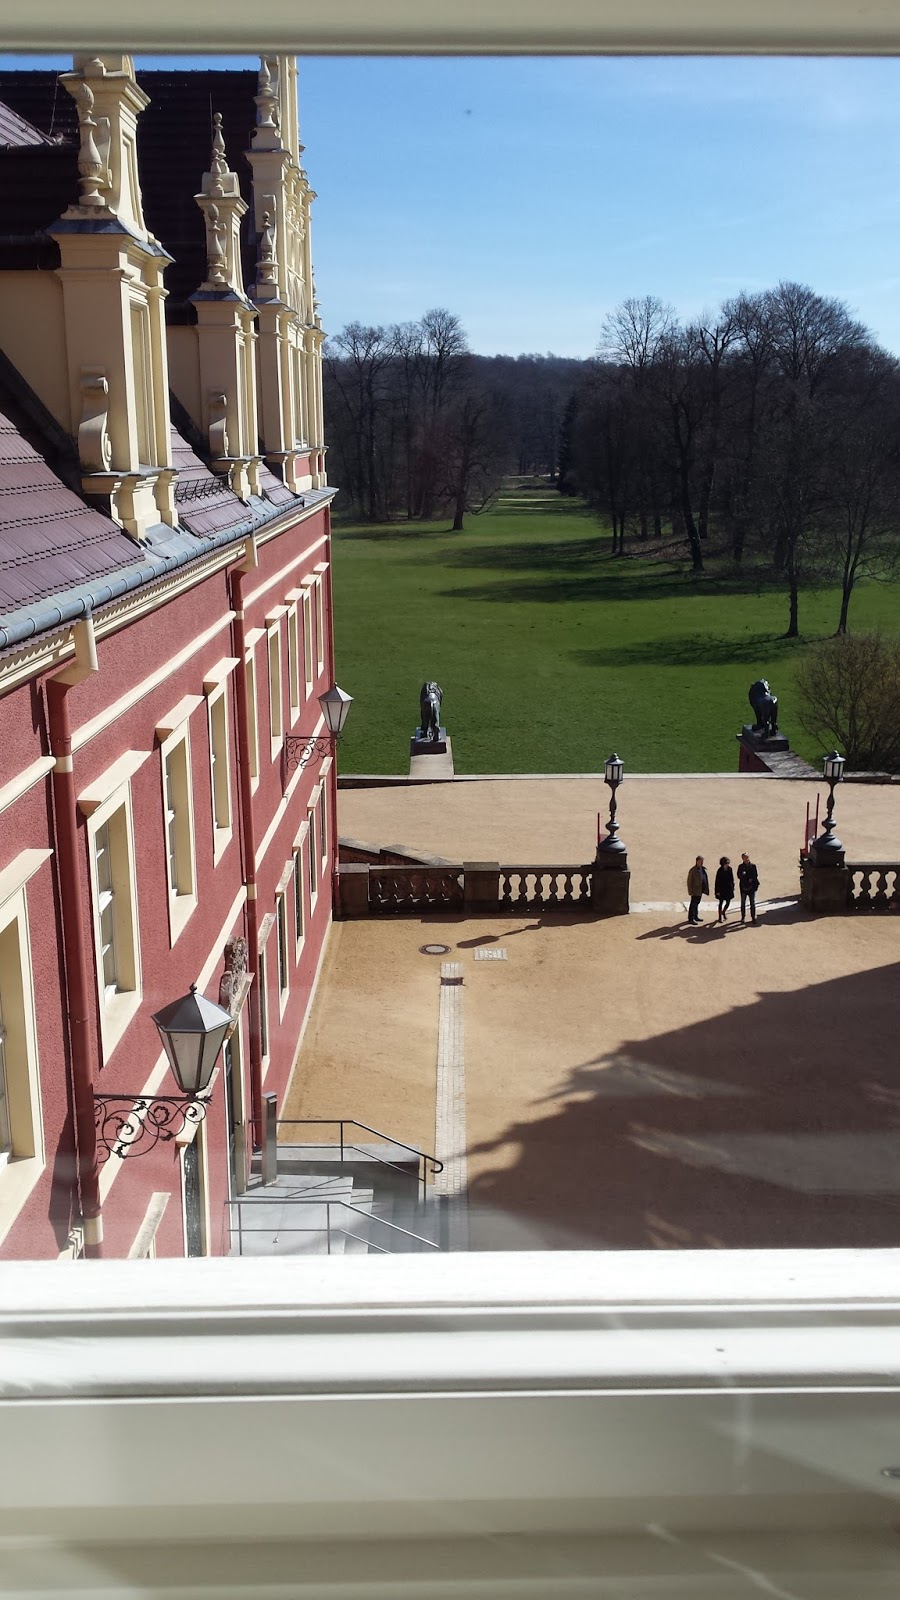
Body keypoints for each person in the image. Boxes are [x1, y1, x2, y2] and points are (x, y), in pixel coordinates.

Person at [737, 852, 760, 924]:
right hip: (743, 887)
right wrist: (746, 878)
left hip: (751, 887)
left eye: (747, 857)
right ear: (742, 859)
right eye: (744, 857)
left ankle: (753, 917)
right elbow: (739, 875)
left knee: (752, 903)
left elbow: (755, 875)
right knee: (743, 903)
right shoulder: (740, 867)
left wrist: (750, 879)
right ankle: (743, 917)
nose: (746, 859)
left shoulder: (753, 866)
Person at [686, 855, 709, 924]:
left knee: (697, 903)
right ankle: (691, 918)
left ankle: (695, 916)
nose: (702, 863)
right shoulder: (693, 870)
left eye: (702, 861)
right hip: (695, 890)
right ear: (697, 861)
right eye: (700, 861)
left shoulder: (702, 869)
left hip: (700, 890)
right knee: (693, 904)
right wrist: (691, 892)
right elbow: (689, 882)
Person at [714, 856, 734, 923]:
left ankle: (723, 911)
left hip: (728, 889)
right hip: (721, 889)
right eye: (726, 863)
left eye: (728, 863)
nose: (727, 865)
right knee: (721, 903)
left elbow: (732, 879)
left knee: (728, 902)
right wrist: (717, 891)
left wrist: (732, 887)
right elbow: (717, 881)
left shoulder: (730, 869)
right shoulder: (719, 871)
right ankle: (720, 917)